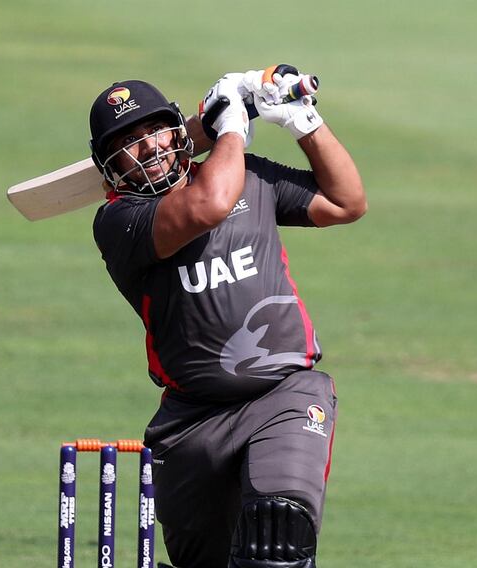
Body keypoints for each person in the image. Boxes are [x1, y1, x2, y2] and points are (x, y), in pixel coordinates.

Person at [88, 70, 366, 568]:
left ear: (177, 131)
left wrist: (305, 124)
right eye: (128, 142)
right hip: (192, 423)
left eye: (153, 130)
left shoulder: (249, 177)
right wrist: (232, 129)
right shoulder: (119, 222)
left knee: (276, 538)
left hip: (283, 395)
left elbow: (346, 203)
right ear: (109, 167)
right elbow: (210, 204)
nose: (147, 147)